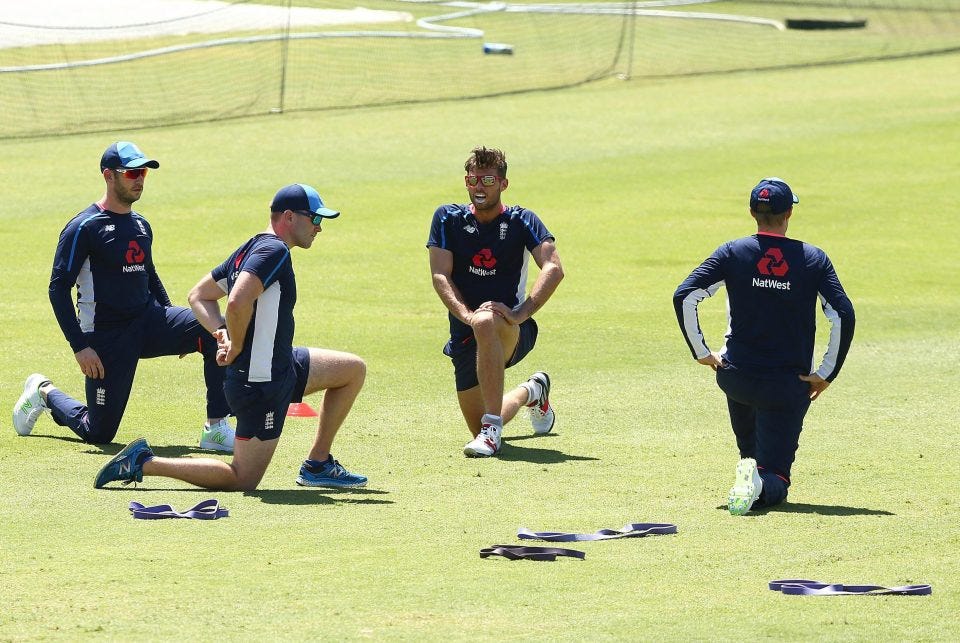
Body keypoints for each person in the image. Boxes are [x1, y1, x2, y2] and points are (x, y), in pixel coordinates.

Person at [94, 183, 368, 491]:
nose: (319, 227)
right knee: (242, 478)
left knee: (352, 370)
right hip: (260, 383)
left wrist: (220, 333)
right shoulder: (274, 250)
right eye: (314, 219)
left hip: (282, 365)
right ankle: (144, 462)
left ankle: (318, 463)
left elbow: (199, 295)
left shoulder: (250, 248)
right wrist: (234, 343)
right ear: (289, 217)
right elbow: (237, 301)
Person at [12, 141, 234, 451]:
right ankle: (43, 392)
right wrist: (80, 346)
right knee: (99, 433)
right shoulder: (83, 228)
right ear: (108, 176)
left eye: (143, 172)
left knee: (214, 328)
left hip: (148, 321)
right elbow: (58, 289)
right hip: (107, 336)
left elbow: (149, 275)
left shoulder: (141, 224)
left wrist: (174, 323)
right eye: (131, 173)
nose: (139, 179)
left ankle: (216, 428)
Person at [673, 177, 855, 515]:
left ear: (751, 212)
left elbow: (684, 295)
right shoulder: (813, 259)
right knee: (777, 478)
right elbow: (843, 314)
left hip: (736, 377)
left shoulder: (732, 252)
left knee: (753, 457)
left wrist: (702, 352)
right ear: (789, 214)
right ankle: (759, 482)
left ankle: (750, 479)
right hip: (786, 386)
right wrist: (826, 373)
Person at [427, 146, 564, 457]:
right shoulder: (447, 218)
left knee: (487, 320)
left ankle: (491, 431)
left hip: (511, 330)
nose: (479, 187)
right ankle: (532, 391)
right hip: (465, 332)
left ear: (503, 184)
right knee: (478, 425)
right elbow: (440, 275)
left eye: (488, 180)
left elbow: (553, 268)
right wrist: (467, 317)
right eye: (473, 180)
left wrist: (519, 314)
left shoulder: (522, 220)